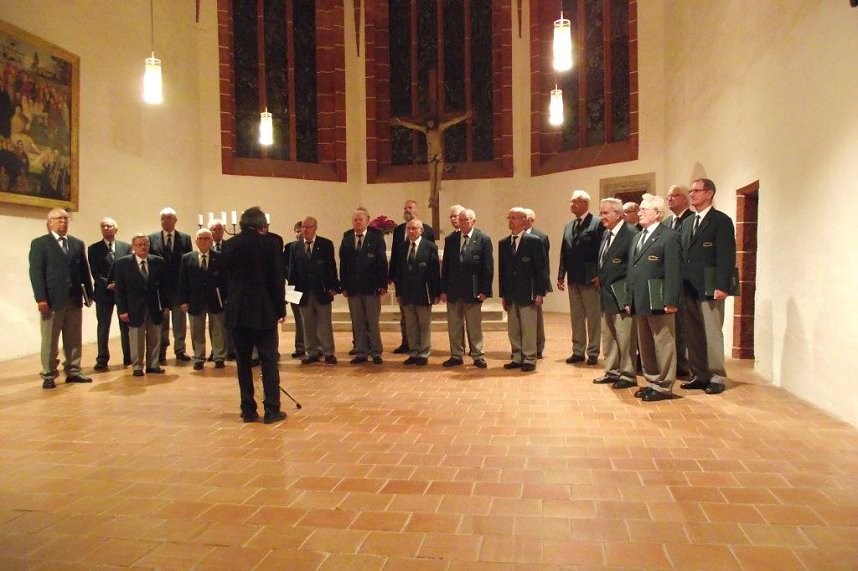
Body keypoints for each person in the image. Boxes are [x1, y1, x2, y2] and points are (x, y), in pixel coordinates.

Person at [221, 207, 287, 424]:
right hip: (264, 311)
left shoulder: (229, 245)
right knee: (269, 360)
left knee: (243, 362)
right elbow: (276, 280)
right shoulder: (270, 244)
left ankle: (248, 409)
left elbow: (224, 281)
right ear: (261, 224)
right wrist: (280, 309)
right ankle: (272, 409)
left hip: (238, 313)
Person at [679, 178, 737, 395]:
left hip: (710, 286)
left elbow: (726, 256)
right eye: (690, 190)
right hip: (688, 287)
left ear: (709, 193)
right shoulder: (686, 223)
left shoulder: (721, 221)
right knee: (693, 332)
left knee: (712, 332)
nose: (692, 194)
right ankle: (699, 373)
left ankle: (716, 375)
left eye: (696, 190)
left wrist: (723, 286)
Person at [29, 208, 94, 389]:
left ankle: (73, 370)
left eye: (66, 219)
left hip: (74, 299)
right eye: (59, 219)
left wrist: (89, 294)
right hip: (52, 301)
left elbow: (84, 271)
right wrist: (41, 298)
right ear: (49, 223)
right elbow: (36, 273)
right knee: (50, 340)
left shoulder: (76, 244)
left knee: (73, 338)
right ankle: (48, 374)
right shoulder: (40, 244)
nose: (63, 222)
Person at [625, 194, 682, 401]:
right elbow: (632, 270)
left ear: (658, 213)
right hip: (640, 299)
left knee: (663, 342)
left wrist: (671, 300)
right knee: (645, 343)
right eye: (639, 209)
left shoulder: (669, 236)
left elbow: (673, 271)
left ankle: (665, 385)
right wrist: (628, 299)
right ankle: (651, 381)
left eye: (644, 209)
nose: (639, 212)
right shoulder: (638, 237)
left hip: (659, 298)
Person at [592, 198, 639, 389]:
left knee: (625, 336)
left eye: (605, 213)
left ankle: (627, 375)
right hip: (606, 293)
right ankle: (612, 371)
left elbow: (633, 267)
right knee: (609, 335)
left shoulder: (631, 235)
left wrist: (629, 296)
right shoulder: (605, 234)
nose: (601, 217)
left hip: (622, 292)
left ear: (619, 214)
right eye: (601, 213)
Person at [440, 208, 493, 368]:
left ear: (473, 221)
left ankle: (477, 355)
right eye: (460, 220)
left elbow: (488, 267)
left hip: (474, 290)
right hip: (454, 290)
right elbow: (446, 267)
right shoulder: (451, 240)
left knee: (474, 325)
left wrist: (485, 290)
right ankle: (456, 355)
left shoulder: (483, 239)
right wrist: (443, 290)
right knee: (454, 325)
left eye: (466, 220)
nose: (462, 223)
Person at [557, 190, 604, 366]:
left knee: (592, 317)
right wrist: (561, 274)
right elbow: (564, 251)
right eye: (571, 201)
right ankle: (577, 351)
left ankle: (593, 351)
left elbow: (601, 250)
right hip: (574, 277)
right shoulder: (569, 226)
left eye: (575, 201)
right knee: (576, 316)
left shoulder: (597, 223)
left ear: (585, 203)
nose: (572, 204)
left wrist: (600, 274)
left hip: (590, 278)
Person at [499, 207, 549, 372]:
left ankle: (529, 358)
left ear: (524, 220)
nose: (511, 221)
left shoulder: (534, 241)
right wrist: (503, 294)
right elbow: (503, 271)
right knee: (513, 328)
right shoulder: (504, 243)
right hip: (511, 293)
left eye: (514, 217)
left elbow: (541, 270)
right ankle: (517, 356)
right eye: (509, 217)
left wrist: (540, 293)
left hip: (528, 292)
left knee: (528, 327)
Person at [391, 112, 471, 213]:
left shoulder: (440, 128)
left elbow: (453, 122)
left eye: (431, 122)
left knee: (438, 177)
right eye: (428, 123)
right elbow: (413, 126)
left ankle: (435, 197)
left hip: (439, 155)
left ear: (434, 122)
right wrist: (401, 122)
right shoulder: (426, 130)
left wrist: (465, 116)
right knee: (432, 177)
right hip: (431, 156)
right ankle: (431, 197)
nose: (430, 124)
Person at [287, 217, 341, 365]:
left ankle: (328, 353)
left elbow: (331, 267)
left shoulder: (325, 244)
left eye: (308, 227)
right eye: (303, 227)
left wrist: (333, 286)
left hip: (321, 291)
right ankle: (311, 352)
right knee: (307, 324)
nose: (305, 230)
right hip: (304, 292)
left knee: (325, 323)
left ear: (315, 228)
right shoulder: (294, 247)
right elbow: (292, 271)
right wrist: (291, 293)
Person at [113, 234, 167, 377]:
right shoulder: (122, 263)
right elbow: (120, 290)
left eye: (145, 244)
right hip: (134, 307)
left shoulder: (158, 262)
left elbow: (164, 286)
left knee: (155, 337)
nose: (143, 247)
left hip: (155, 306)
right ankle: (137, 366)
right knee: (136, 338)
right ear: (133, 247)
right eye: (139, 245)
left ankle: (153, 365)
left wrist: (165, 305)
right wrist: (122, 310)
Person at [339, 208, 387, 365]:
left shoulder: (376, 238)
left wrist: (382, 284)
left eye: (360, 220)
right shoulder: (347, 240)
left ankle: (376, 351)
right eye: (355, 220)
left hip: (371, 287)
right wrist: (343, 286)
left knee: (372, 321)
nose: (357, 222)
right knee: (357, 321)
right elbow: (343, 265)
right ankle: (361, 351)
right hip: (353, 288)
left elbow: (382, 263)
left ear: (367, 221)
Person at [389, 199, 436, 353]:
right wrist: (392, 276)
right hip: (404, 283)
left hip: (422, 285)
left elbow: (432, 263)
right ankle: (408, 345)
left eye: (410, 207)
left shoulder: (428, 230)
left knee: (422, 321)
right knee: (407, 319)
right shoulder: (398, 231)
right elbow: (395, 255)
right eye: (405, 208)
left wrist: (435, 290)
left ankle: (423, 349)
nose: (407, 210)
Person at [393, 219, 441, 366]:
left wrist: (436, 293)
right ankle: (413, 352)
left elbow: (434, 272)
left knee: (423, 324)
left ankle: (424, 353)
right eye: (409, 229)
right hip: (407, 293)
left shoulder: (430, 247)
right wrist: (399, 293)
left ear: (421, 230)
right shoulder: (402, 248)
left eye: (415, 229)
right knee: (411, 325)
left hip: (424, 292)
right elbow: (399, 273)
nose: (412, 231)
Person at [148, 207, 193, 363]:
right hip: (160, 289)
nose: (166, 221)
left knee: (180, 322)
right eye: (163, 218)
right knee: (161, 322)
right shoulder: (152, 238)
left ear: (175, 220)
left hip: (178, 288)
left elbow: (188, 263)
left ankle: (180, 350)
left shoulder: (185, 239)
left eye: (169, 218)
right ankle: (161, 351)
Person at [179, 229, 227, 370]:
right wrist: (184, 300)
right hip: (195, 300)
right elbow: (183, 281)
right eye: (200, 238)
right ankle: (199, 357)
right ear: (196, 241)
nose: (203, 241)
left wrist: (226, 298)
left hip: (215, 299)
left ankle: (219, 356)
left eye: (206, 238)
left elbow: (225, 280)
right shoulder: (187, 258)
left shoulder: (219, 257)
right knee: (197, 330)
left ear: (211, 241)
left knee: (218, 329)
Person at [88, 217, 132, 370]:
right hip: (103, 293)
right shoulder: (93, 248)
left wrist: (119, 285)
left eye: (109, 226)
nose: (106, 228)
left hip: (122, 293)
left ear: (116, 229)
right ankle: (102, 359)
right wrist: (108, 284)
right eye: (103, 226)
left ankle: (129, 357)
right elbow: (95, 272)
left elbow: (128, 269)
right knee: (103, 327)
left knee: (125, 326)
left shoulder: (126, 247)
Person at [663, 184, 695, 378]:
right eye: (668, 196)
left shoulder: (692, 220)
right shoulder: (666, 222)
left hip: (687, 281)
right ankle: (673, 363)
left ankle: (687, 365)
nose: (670, 199)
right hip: (669, 281)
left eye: (675, 195)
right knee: (671, 326)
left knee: (687, 326)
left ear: (685, 199)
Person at [524, 208, 551, 359]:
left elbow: (543, 263)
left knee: (537, 316)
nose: (523, 220)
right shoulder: (516, 236)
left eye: (526, 217)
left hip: (535, 282)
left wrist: (543, 286)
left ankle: (538, 347)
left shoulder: (541, 236)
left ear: (532, 220)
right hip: (521, 283)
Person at [284, 220, 306, 358]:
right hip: (293, 287)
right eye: (296, 231)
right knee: (298, 318)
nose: (298, 233)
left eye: (301, 231)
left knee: (310, 318)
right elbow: (285, 267)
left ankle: (315, 345)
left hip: (307, 287)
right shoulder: (289, 247)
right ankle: (300, 347)